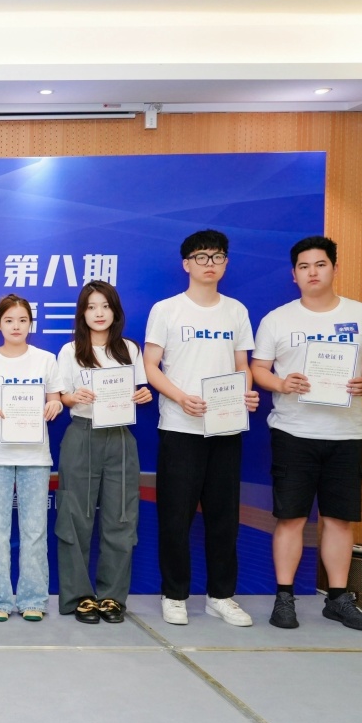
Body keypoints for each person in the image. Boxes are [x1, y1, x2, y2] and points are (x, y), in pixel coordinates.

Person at [250, 236, 362, 631]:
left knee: (339, 520)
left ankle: (338, 598)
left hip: (345, 434)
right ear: (293, 275)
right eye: (304, 266)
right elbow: (259, 369)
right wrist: (281, 384)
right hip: (293, 432)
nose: (312, 272)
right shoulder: (277, 319)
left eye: (320, 264)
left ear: (334, 268)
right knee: (291, 518)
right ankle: (284, 598)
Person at [143, 229, 259, 627]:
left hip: (225, 429)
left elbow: (243, 365)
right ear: (186, 264)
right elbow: (150, 366)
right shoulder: (167, 310)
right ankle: (174, 594)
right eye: (201, 257)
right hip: (180, 427)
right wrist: (180, 397)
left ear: (226, 263)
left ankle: (221, 596)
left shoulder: (236, 311)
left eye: (217, 256)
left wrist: (245, 394)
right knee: (175, 517)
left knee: (224, 518)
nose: (210, 264)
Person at [54, 282, 152, 624]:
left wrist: (143, 395)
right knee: (75, 517)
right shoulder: (70, 351)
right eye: (91, 307)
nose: (99, 313)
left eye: (105, 306)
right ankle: (79, 596)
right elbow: (61, 396)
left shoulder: (129, 349)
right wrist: (73, 398)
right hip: (82, 434)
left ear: (115, 311)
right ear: (82, 313)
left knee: (121, 518)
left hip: (120, 438)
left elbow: (138, 390)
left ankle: (112, 596)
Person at [0, 294, 63, 622]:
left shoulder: (46, 360)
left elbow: (56, 399)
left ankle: (33, 599)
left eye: (22, 320)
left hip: (35, 456)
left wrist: (55, 405)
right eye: (9, 320)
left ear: (30, 324)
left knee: (34, 530)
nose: (16, 326)